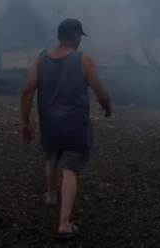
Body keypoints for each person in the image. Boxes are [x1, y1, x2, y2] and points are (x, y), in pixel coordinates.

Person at [20, 18, 112, 239]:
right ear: (76, 37)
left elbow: (27, 91)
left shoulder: (40, 60)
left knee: (52, 158)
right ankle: (64, 224)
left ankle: (51, 196)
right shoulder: (84, 60)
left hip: (49, 122)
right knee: (69, 169)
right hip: (74, 125)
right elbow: (101, 92)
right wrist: (107, 108)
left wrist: (25, 122)